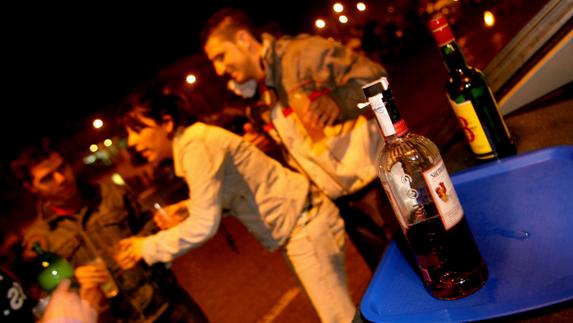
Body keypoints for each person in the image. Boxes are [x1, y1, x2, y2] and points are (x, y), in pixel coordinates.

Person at [115, 89, 356, 323]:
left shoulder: (195, 146)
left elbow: (203, 225)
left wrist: (145, 248)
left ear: (166, 123)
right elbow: (231, 191)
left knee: (339, 318)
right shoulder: (195, 141)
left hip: (304, 227)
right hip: (301, 224)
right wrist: (187, 207)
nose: (132, 142)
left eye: (138, 130)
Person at [200, 8, 398, 270]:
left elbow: (378, 80)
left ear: (244, 40)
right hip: (344, 204)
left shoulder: (300, 54)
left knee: (425, 266)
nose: (218, 69)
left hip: (380, 185)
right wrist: (264, 139)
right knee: (391, 282)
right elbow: (298, 137)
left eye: (221, 57)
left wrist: (340, 102)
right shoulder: (256, 92)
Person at [10, 140, 208, 322]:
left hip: (172, 307)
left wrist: (141, 244)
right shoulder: (39, 241)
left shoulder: (111, 193)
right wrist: (75, 281)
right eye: (47, 178)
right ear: (31, 187)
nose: (61, 179)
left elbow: (152, 224)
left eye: (62, 167)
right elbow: (47, 301)